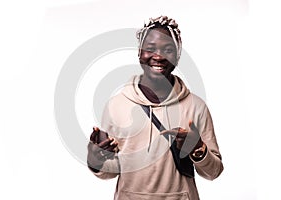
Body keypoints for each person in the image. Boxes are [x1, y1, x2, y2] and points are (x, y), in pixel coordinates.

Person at [87, 16, 224, 200]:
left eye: (168, 50)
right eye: (150, 49)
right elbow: (112, 171)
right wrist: (97, 161)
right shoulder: (116, 105)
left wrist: (198, 148)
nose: (158, 56)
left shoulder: (196, 107)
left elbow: (213, 172)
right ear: (139, 52)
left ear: (177, 55)